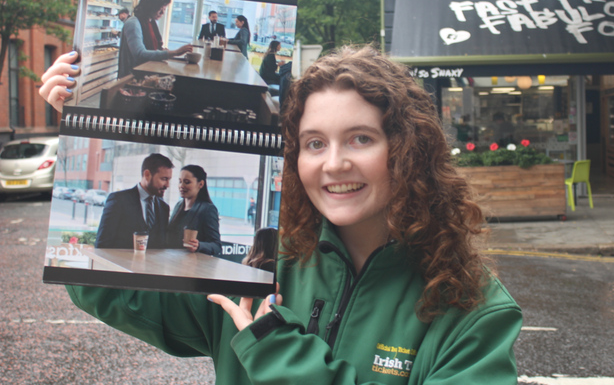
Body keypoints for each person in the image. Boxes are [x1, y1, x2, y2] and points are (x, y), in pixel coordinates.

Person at [40, 46, 522, 384]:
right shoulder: (264, 269)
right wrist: (81, 129)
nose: (334, 163)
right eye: (315, 143)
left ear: (406, 149)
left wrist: (275, 348)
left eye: (361, 138)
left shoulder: (473, 306)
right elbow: (114, 291)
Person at [94, 153, 173, 250]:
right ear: (147, 174)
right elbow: (102, 245)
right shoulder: (118, 200)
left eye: (169, 180)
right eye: (164, 179)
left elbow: (160, 246)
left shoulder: (164, 208)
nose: (167, 185)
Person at [117, 0, 193, 78]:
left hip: (145, 74)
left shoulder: (150, 22)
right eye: (160, 9)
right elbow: (140, 54)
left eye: (164, 9)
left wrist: (165, 52)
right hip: (132, 79)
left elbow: (153, 48)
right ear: (150, 7)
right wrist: (174, 52)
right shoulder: (133, 23)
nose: (162, 13)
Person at [167, 164, 222, 256]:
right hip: (171, 261)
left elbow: (216, 246)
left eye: (187, 182)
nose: (181, 186)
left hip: (192, 265)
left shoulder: (208, 209)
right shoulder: (178, 205)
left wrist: (199, 245)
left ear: (201, 184)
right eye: (180, 181)